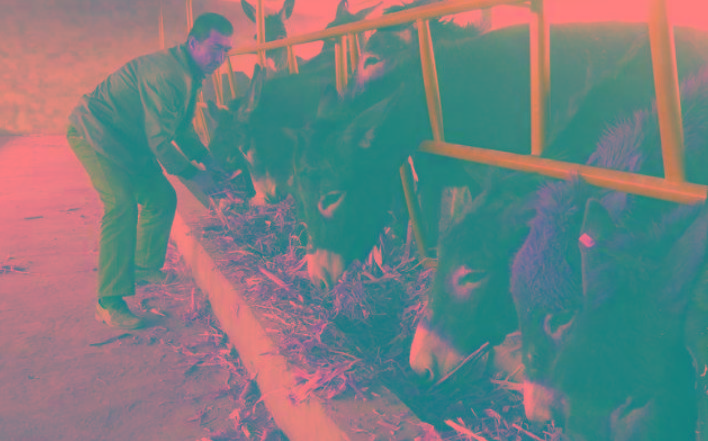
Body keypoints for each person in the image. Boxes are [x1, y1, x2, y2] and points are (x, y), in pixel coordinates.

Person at [67, 13, 234, 330]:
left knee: (161, 197)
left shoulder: (190, 73)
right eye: (215, 48)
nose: (221, 58)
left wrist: (208, 160)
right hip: (95, 133)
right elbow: (160, 140)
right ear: (193, 43)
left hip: (129, 141)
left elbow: (182, 129)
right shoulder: (168, 74)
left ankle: (144, 266)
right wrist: (195, 174)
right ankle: (109, 302)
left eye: (227, 50)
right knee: (121, 204)